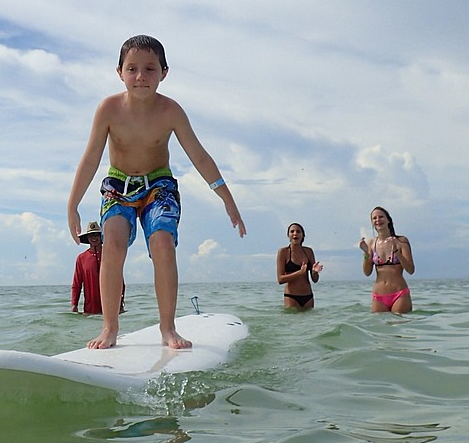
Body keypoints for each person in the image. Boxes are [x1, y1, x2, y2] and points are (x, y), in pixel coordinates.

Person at [67, 35, 246, 350]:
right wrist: (73, 205)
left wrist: (226, 199)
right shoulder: (108, 109)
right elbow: (91, 157)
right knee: (113, 243)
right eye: (132, 68)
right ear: (119, 72)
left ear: (164, 72)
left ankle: (167, 328)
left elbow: (200, 157)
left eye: (150, 69)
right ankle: (109, 328)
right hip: (118, 185)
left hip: (159, 185)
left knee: (163, 242)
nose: (140, 76)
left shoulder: (171, 111)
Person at [359, 206, 415, 313]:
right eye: (374, 218)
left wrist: (397, 252)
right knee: (379, 328)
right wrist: (366, 253)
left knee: (399, 327)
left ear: (388, 220)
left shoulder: (401, 241)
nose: (378, 220)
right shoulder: (371, 243)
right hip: (379, 296)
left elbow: (411, 270)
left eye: (381, 217)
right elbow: (367, 272)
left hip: (399, 294)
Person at [70, 222, 125, 315]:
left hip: (111, 306)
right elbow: (77, 284)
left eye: (96, 235)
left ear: (101, 236)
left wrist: (121, 302)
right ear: (87, 238)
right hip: (90, 308)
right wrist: (74, 304)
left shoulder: (110, 254)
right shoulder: (81, 258)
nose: (94, 238)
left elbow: (119, 279)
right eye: (91, 235)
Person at [277, 222, 323, 310]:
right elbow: (280, 279)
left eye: (298, 231)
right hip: (291, 297)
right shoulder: (283, 252)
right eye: (292, 231)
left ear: (303, 235)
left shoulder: (308, 252)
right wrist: (300, 273)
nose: (295, 234)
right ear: (288, 235)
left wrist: (314, 272)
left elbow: (315, 280)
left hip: (308, 296)